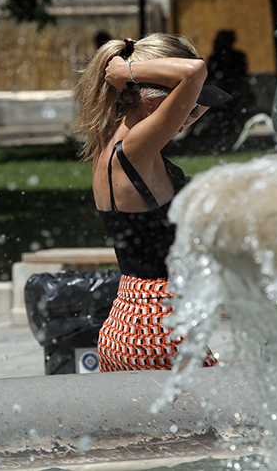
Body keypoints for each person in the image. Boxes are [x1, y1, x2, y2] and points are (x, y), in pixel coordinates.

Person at [71, 33, 232, 372]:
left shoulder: (107, 144)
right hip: (158, 326)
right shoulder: (135, 149)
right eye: (190, 102)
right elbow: (194, 72)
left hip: (124, 322)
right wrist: (127, 71)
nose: (195, 112)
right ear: (150, 99)